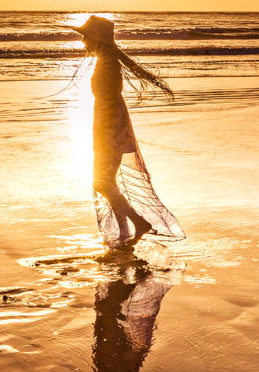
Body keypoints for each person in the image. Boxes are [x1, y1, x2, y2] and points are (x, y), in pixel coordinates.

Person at [68, 15, 184, 251]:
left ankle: (139, 223)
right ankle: (123, 231)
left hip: (109, 127)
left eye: (85, 37)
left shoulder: (108, 62)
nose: (83, 42)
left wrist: (104, 134)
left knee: (101, 181)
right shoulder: (106, 59)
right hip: (107, 125)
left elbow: (109, 100)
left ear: (97, 38)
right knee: (105, 181)